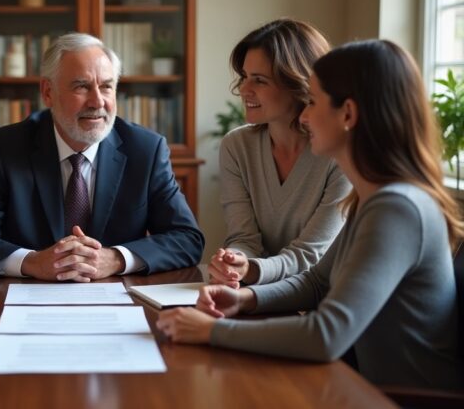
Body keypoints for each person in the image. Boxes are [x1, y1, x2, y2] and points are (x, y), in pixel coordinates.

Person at [157, 39, 464, 390]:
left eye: (313, 102)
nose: (303, 116)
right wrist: (244, 299)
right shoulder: (374, 198)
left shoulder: (398, 208)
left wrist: (212, 330)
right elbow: (317, 282)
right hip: (363, 388)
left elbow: (326, 334)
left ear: (347, 114)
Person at [0, 33, 204, 282]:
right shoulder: (7, 148)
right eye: (82, 86)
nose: (97, 102)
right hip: (31, 298)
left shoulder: (145, 150)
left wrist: (115, 259)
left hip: (117, 299)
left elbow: (187, 238)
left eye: (106, 87)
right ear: (48, 92)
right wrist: (33, 262)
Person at [209, 19, 351, 288]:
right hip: (266, 294)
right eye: (244, 77)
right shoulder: (236, 146)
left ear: (300, 84)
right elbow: (244, 238)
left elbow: (310, 255)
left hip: (326, 299)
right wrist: (234, 261)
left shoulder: (339, 152)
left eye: (259, 80)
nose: (244, 89)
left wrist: (251, 270)